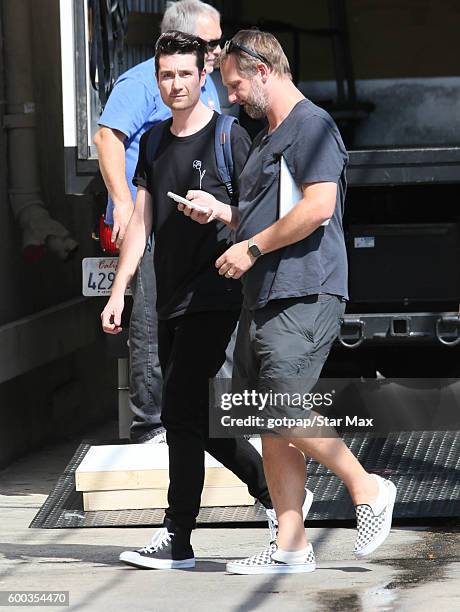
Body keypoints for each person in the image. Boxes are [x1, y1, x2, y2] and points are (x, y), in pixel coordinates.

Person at [182, 29, 397, 575]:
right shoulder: (268, 136)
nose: (230, 97)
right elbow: (273, 213)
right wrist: (225, 214)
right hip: (266, 294)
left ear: (263, 70)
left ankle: (366, 485)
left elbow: (319, 207)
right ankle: (291, 543)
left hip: (304, 289)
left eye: (234, 85)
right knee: (266, 416)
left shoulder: (312, 125)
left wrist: (251, 247)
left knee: (280, 405)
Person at [101, 30, 308, 571]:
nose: (175, 84)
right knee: (195, 415)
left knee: (179, 410)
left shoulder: (231, 136)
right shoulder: (151, 143)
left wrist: (218, 209)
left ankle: (179, 537)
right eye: (166, 75)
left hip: (215, 293)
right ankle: (272, 491)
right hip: (168, 296)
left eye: (185, 74)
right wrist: (120, 289)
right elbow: (140, 223)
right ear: (157, 79)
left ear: (202, 77)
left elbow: (262, 215)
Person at [93, 0, 223, 444]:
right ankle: (151, 426)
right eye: (212, 42)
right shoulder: (141, 84)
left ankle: (206, 420)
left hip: (198, 226)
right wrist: (124, 205)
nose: (219, 51)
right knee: (151, 324)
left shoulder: (207, 84)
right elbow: (106, 138)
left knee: (202, 325)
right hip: (150, 224)